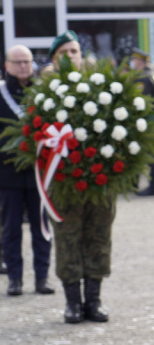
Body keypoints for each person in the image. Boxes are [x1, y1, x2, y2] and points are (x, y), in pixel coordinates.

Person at [47, 31, 114, 323]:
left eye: (74, 51)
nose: (70, 56)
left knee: (98, 236)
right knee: (67, 238)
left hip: (100, 179)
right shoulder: (45, 91)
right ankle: (72, 302)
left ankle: (94, 301)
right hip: (63, 180)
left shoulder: (98, 86)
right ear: (53, 59)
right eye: (63, 52)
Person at [0, 45, 53, 296]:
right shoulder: (0, 94)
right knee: (10, 230)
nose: (23, 66)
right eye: (18, 62)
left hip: (38, 175)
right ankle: (14, 279)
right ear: (7, 65)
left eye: (27, 62)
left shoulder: (43, 94)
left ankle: (42, 278)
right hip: (7, 174)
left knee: (41, 229)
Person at [131, 50, 154, 197]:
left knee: (150, 155)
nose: (133, 63)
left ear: (139, 61)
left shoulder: (143, 78)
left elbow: (141, 101)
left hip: (145, 121)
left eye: (134, 60)